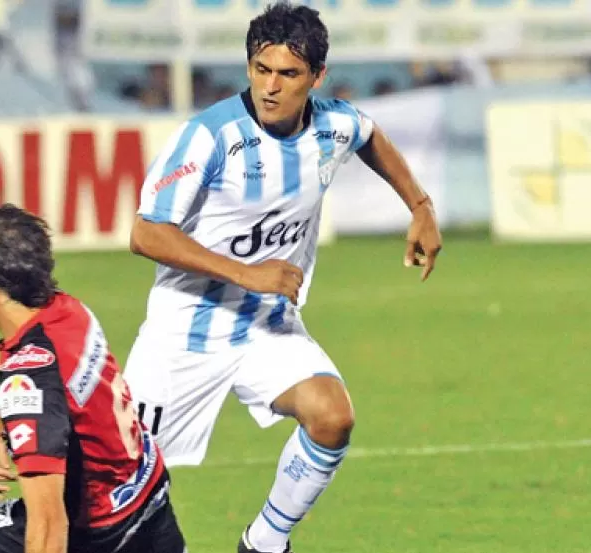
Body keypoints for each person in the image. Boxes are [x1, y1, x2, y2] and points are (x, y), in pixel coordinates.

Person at [124, 2, 443, 553]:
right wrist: (246, 273)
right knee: (114, 489)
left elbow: (368, 135)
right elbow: (146, 234)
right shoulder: (210, 137)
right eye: (260, 69)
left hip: (264, 325)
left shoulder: (332, 124)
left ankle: (265, 542)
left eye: (288, 74)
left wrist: (420, 205)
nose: (270, 87)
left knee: (331, 416)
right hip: (182, 335)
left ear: (317, 77)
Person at [0, 198, 186, 553]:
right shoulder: (69, 310)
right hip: (146, 498)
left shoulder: (31, 372)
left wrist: (16, 408)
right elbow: (64, 391)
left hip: (97, 530)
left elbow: (49, 526)